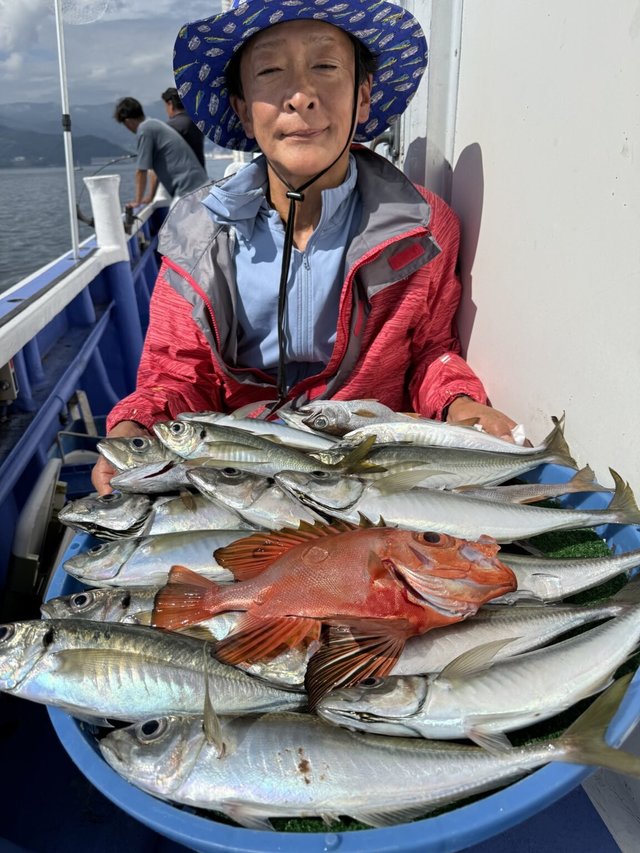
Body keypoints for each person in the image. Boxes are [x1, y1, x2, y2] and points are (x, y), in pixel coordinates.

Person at [92, 0, 521, 495]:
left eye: (326, 66)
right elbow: (175, 373)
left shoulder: (423, 229)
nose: (301, 95)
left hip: (370, 473)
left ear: (362, 98)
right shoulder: (197, 239)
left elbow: (429, 353)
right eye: (271, 71)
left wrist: (458, 402)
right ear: (242, 110)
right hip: (240, 477)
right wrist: (138, 428)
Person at [114, 96, 208, 207]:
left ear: (127, 121)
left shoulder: (144, 130)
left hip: (187, 189)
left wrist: (137, 201)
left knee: (176, 223)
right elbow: (154, 172)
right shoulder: (153, 124)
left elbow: (141, 171)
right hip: (198, 185)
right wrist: (150, 197)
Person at [161, 86, 206, 168]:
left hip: (183, 177)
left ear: (170, 104)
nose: (166, 110)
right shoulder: (197, 121)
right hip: (201, 175)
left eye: (165, 106)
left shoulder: (171, 126)